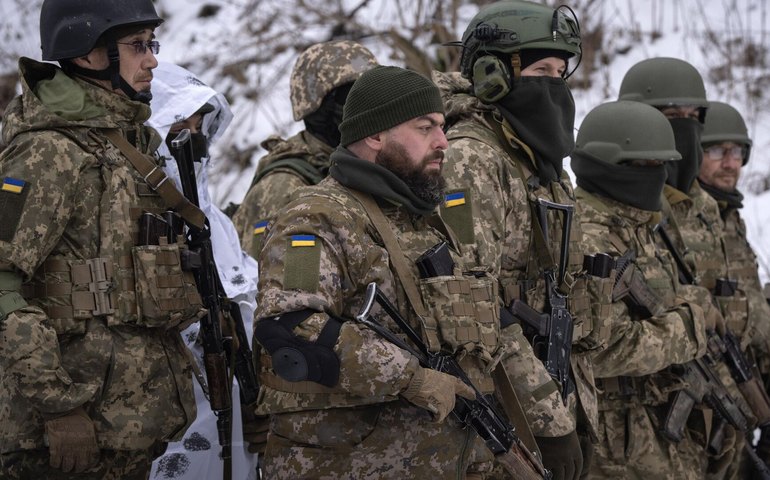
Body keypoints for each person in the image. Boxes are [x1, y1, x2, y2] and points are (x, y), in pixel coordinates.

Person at [252, 65, 542, 478]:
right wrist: (407, 378)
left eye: (442, 126)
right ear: (375, 135)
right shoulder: (316, 216)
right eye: (425, 128)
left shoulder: (427, 220)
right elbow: (290, 326)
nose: (443, 142)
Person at [0, 1, 203, 479]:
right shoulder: (48, 151)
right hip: (63, 440)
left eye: (152, 44)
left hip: (125, 427)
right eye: (137, 46)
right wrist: (57, 408)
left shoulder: (128, 145)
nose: (152, 59)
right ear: (89, 53)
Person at [437, 1, 611, 477]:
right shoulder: (472, 160)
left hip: (552, 393)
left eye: (561, 72)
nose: (554, 85)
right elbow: (473, 309)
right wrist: (549, 422)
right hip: (504, 416)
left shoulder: (539, 161)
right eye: (541, 70)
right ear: (492, 73)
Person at [619, 57, 757, 480]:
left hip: (713, 392)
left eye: (690, 117)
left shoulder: (704, 206)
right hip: (640, 418)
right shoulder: (626, 205)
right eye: (668, 117)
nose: (682, 127)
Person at [572, 100, 721, 479]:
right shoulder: (588, 239)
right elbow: (602, 349)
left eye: (661, 165)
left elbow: (663, 298)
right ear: (610, 166)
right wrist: (690, 327)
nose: (657, 175)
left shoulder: (637, 224)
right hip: (616, 441)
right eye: (645, 165)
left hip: (653, 422)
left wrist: (694, 304)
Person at [146, 62, 261, 480]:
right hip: (168, 427)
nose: (191, 140)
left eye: (198, 127)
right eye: (179, 128)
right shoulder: (135, 219)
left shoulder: (216, 223)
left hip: (233, 424)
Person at [232, 40, 377, 258]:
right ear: (320, 108)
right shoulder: (282, 186)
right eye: (352, 98)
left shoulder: (364, 167)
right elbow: (258, 279)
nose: (369, 110)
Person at [697, 101, 770, 477]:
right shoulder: (680, 225)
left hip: (744, 410)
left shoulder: (732, 220)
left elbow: (754, 317)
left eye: (737, 151)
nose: (731, 163)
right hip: (705, 413)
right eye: (716, 151)